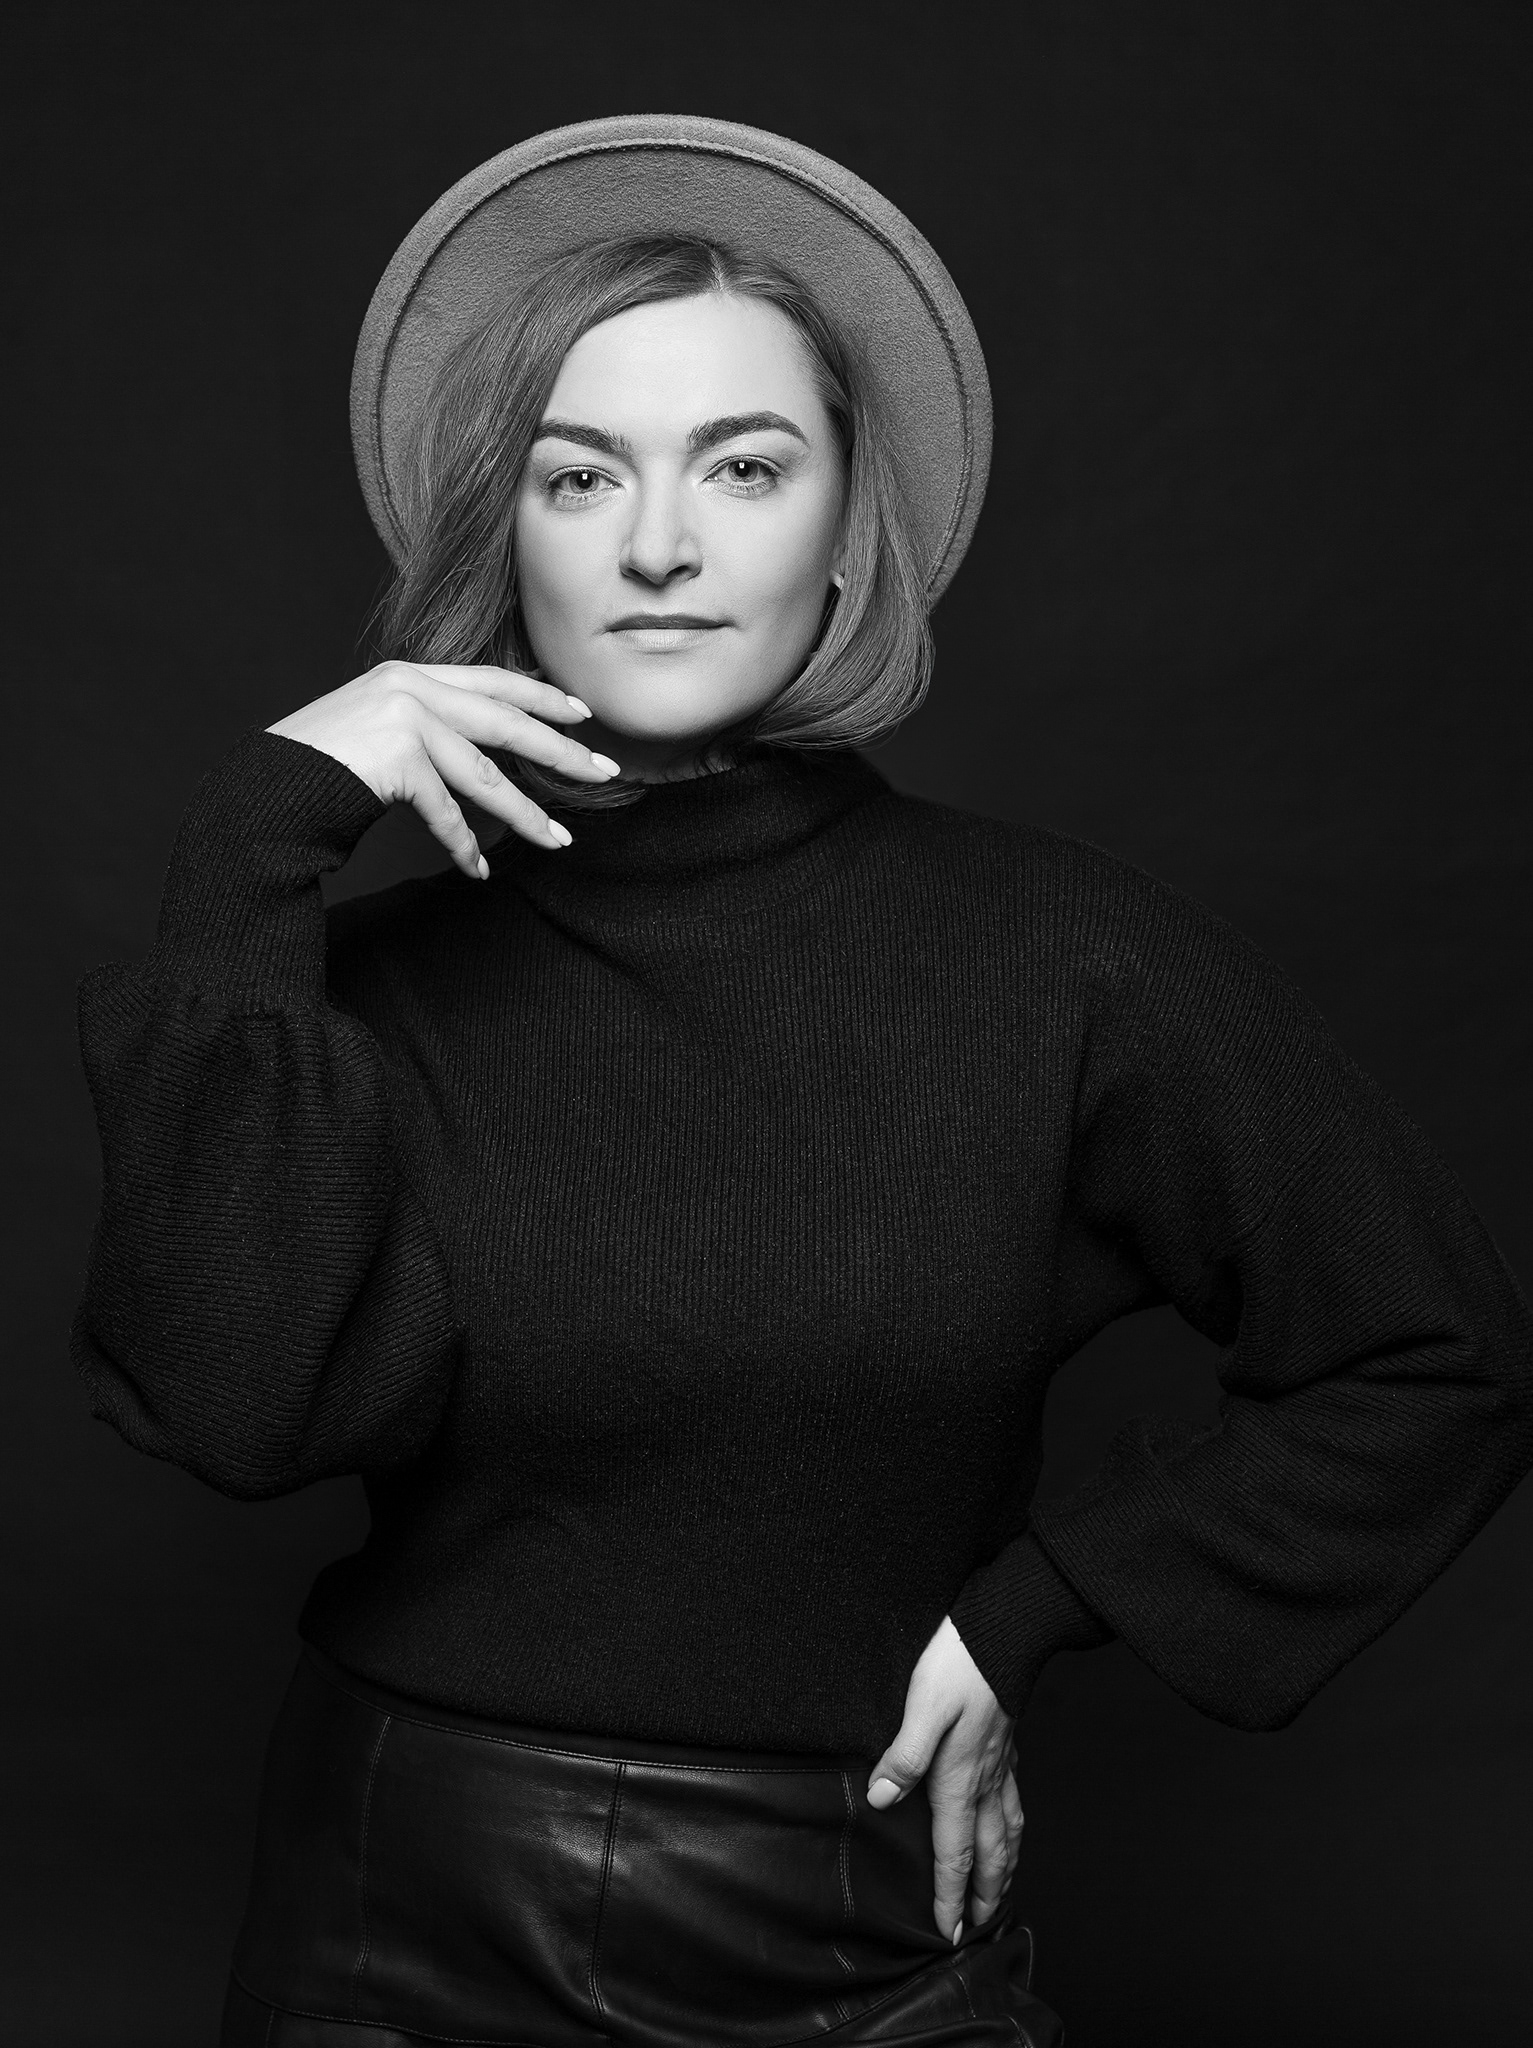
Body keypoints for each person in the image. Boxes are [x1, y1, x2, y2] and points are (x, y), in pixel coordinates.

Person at [71, 117, 1533, 2048]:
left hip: (856, 1922)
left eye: (743, 468)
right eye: (577, 475)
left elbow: (1429, 1354)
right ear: (503, 536)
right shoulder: (356, 986)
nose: (657, 546)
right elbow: (233, 1412)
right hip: (394, 1912)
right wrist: (252, 837)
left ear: (848, 533)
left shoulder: (1065, 958)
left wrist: (1039, 1609)